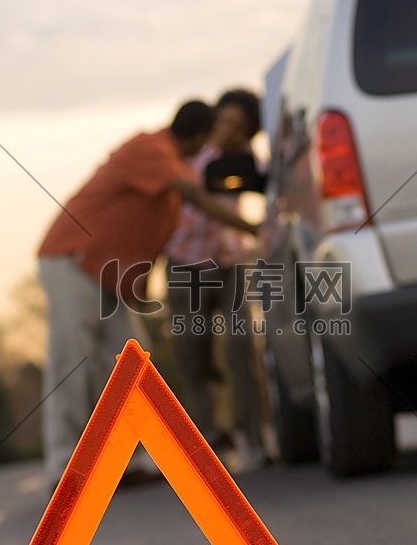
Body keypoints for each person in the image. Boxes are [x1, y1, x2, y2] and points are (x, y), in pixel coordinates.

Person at [37, 99, 257, 490]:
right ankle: (63, 465)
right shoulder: (152, 149)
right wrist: (255, 229)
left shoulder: (171, 161)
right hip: (73, 260)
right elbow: (199, 200)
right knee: (70, 360)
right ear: (197, 136)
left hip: (105, 276)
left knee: (128, 363)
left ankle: (129, 460)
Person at [165, 89, 269, 472]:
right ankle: (213, 442)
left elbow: (262, 190)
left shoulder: (244, 161)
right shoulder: (185, 157)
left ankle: (257, 440)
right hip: (185, 264)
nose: (228, 132)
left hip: (229, 264)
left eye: (238, 128)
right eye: (224, 121)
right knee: (195, 354)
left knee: (243, 345)